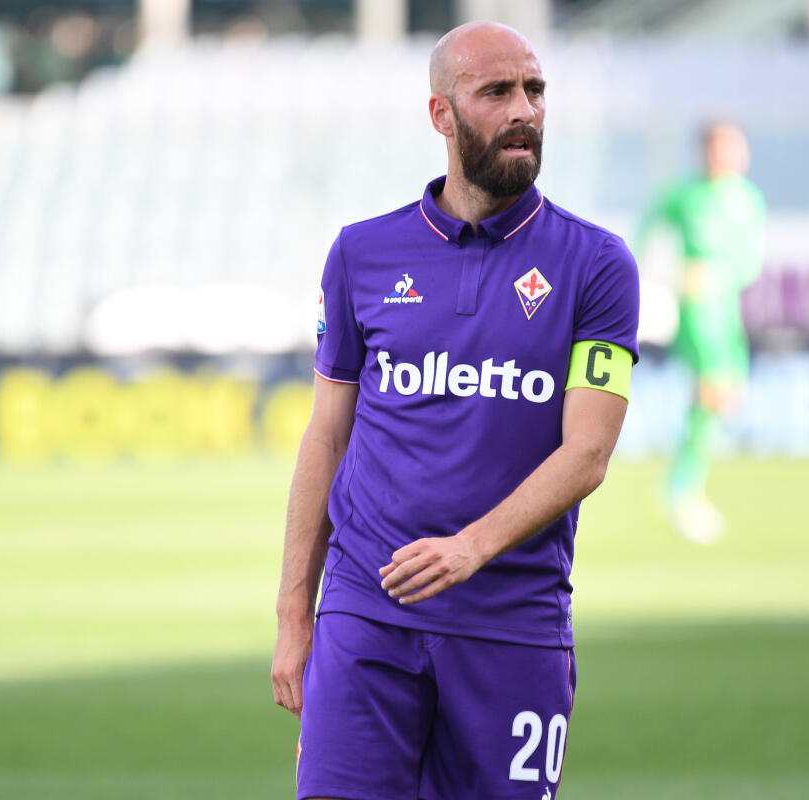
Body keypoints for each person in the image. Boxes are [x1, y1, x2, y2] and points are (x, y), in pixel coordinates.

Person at [271, 21, 639, 800]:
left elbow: (588, 453)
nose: (524, 111)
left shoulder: (598, 266)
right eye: (497, 92)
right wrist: (293, 615)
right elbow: (326, 436)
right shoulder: (361, 255)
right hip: (367, 615)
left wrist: (471, 547)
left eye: (535, 91)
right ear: (441, 115)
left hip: (512, 624)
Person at [635, 122, 766, 544]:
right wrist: (670, 277)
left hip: (726, 310)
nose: (725, 157)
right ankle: (682, 492)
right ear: (703, 154)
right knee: (711, 392)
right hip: (695, 313)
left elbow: (750, 263)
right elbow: (644, 241)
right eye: (716, 149)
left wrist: (720, 275)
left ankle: (684, 487)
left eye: (732, 148)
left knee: (724, 399)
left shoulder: (747, 200)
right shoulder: (683, 197)